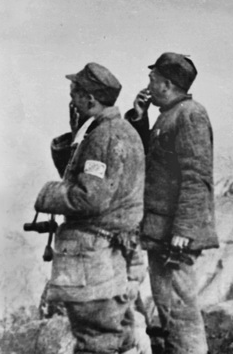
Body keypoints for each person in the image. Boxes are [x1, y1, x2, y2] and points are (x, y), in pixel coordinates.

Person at [34, 62, 145, 354]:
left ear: (90, 99)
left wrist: (47, 194)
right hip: (111, 259)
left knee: (95, 340)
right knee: (117, 338)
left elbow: (89, 198)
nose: (71, 99)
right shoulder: (120, 131)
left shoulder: (103, 137)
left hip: (93, 261)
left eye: (75, 93)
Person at [126, 52, 219, 354]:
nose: (148, 85)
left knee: (180, 312)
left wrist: (184, 230)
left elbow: (197, 177)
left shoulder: (190, 114)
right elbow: (149, 160)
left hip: (175, 235)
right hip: (162, 231)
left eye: (152, 79)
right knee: (169, 308)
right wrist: (139, 117)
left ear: (166, 84)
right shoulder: (169, 115)